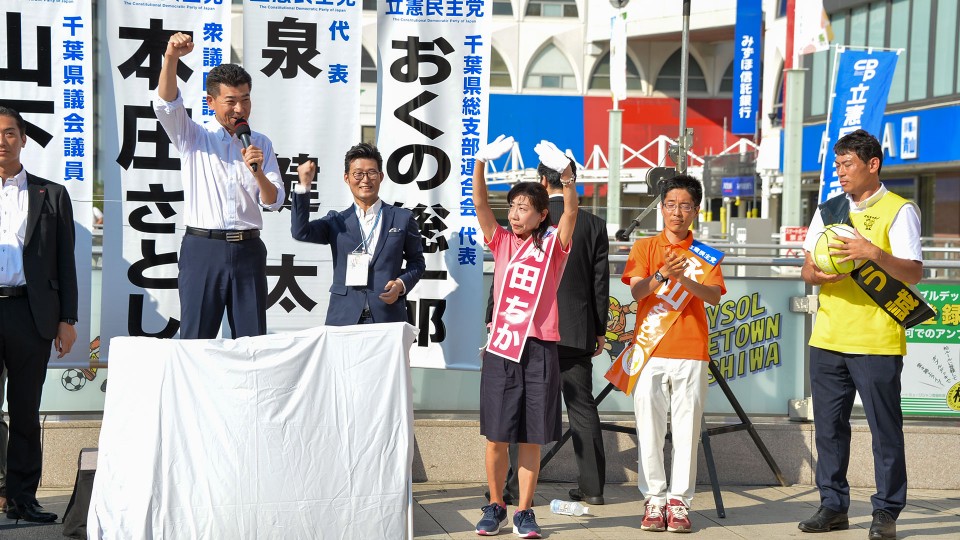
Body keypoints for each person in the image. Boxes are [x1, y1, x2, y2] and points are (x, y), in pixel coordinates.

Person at [798, 129, 922, 540]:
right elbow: (806, 270)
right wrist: (818, 274)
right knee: (829, 429)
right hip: (828, 337)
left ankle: (886, 511)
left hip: (877, 340)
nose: (840, 172)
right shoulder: (829, 208)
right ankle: (832, 505)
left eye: (847, 164)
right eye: (837, 164)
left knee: (885, 430)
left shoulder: (899, 210)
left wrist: (874, 254)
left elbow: (913, 272)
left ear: (873, 165)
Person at [486, 158, 610, 507]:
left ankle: (510, 491)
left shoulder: (526, 221)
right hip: (575, 330)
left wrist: (492, 316)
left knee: (518, 411)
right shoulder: (593, 223)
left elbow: (506, 279)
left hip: (523, 332)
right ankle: (594, 487)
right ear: (569, 178)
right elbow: (600, 283)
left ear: (542, 180)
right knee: (582, 407)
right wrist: (598, 330)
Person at [472, 136, 578, 539]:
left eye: (524, 209)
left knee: (532, 435)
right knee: (498, 434)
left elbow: (571, 212)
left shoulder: (553, 246)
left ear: (540, 215)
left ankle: (524, 511)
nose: (515, 215)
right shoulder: (500, 242)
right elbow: (481, 204)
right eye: (513, 207)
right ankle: (495, 505)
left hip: (539, 348)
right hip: (502, 347)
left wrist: (567, 176)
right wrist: (480, 162)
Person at [156, 32, 284, 339]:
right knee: (196, 339)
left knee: (252, 341)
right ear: (211, 101)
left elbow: (274, 200)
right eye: (231, 101)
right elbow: (166, 104)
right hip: (203, 249)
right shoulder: (193, 136)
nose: (239, 109)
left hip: (249, 249)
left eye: (245, 100)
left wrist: (257, 174)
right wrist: (171, 57)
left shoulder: (260, 143)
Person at [621, 174, 725, 533]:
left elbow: (713, 296)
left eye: (684, 205)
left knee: (686, 431)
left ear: (695, 210)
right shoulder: (645, 247)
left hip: (691, 350)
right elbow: (635, 293)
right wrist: (663, 274)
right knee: (648, 429)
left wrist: (685, 280)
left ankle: (679, 502)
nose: (676, 212)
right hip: (650, 350)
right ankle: (654, 499)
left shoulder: (704, 255)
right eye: (670, 204)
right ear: (661, 207)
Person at [0, 106, 78, 523]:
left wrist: (68, 318)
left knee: (27, 409)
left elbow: (65, 260)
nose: (2, 141)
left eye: (10, 133)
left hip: (31, 313)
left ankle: (22, 498)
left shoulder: (51, 193)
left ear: (23, 138)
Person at [291, 143, 425, 325]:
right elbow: (300, 232)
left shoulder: (402, 218)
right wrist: (304, 186)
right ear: (346, 178)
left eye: (371, 173)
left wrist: (400, 285)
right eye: (358, 173)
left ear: (381, 176)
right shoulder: (336, 221)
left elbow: (417, 262)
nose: (365, 179)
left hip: (388, 316)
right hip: (344, 315)